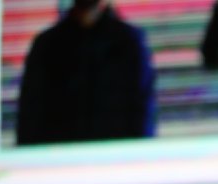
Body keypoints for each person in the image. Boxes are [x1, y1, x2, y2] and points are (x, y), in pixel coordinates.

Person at [15, 0, 156, 146]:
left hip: (115, 154)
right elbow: (30, 115)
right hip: (60, 155)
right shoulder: (47, 45)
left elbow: (142, 112)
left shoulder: (129, 42)